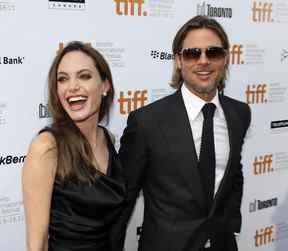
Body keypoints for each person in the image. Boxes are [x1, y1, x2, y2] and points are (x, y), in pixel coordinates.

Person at [118, 15, 251, 251]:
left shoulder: (239, 113)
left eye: (213, 53)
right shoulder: (147, 122)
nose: (203, 61)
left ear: (225, 59)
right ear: (179, 60)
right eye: (192, 53)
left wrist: (232, 226)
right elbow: (124, 198)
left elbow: (233, 174)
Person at [22, 41, 125, 251]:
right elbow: (37, 243)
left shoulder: (108, 139)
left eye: (84, 76)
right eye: (63, 79)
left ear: (105, 85)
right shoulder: (47, 147)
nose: (72, 86)